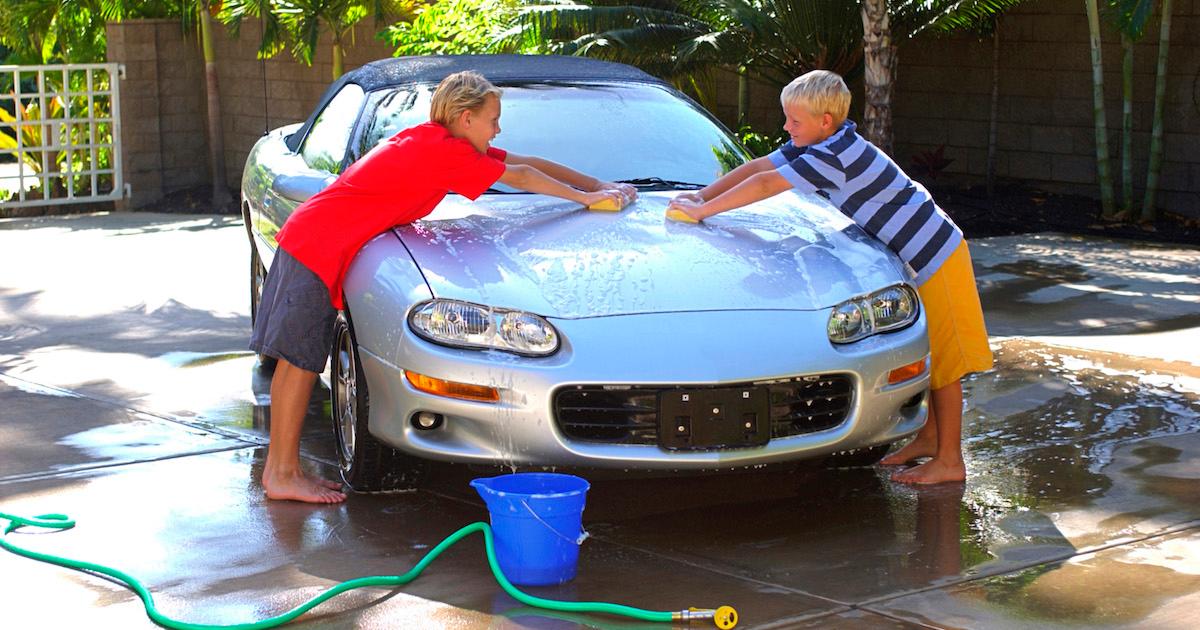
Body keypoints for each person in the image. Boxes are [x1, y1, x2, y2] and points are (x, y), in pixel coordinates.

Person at [251, 71, 635, 503]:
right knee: (300, 363)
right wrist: (587, 200)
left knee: (295, 362)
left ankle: (283, 471)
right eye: (493, 119)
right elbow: (523, 176)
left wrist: (599, 185)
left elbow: (530, 163)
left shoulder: (433, 140)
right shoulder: (443, 152)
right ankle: (281, 475)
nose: (498, 129)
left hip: (312, 238)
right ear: (466, 118)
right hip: (317, 245)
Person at [666, 70, 992, 484]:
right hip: (916, 256)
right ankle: (930, 439)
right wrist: (701, 195)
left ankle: (950, 461)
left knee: (945, 365)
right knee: (929, 353)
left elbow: (767, 183)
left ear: (824, 121)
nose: (786, 128)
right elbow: (761, 165)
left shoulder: (835, 154)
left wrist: (702, 212)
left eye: (794, 122)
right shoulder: (824, 142)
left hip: (936, 255)